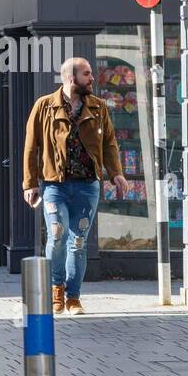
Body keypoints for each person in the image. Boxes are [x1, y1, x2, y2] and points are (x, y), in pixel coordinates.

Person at [23, 56, 129, 315]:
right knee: (57, 234)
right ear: (71, 78)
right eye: (87, 74)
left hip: (87, 185)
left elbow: (110, 143)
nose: (92, 78)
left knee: (78, 241)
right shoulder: (45, 106)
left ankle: (74, 298)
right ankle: (56, 290)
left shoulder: (98, 107)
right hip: (54, 184)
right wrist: (30, 182)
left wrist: (116, 173)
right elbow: (30, 145)